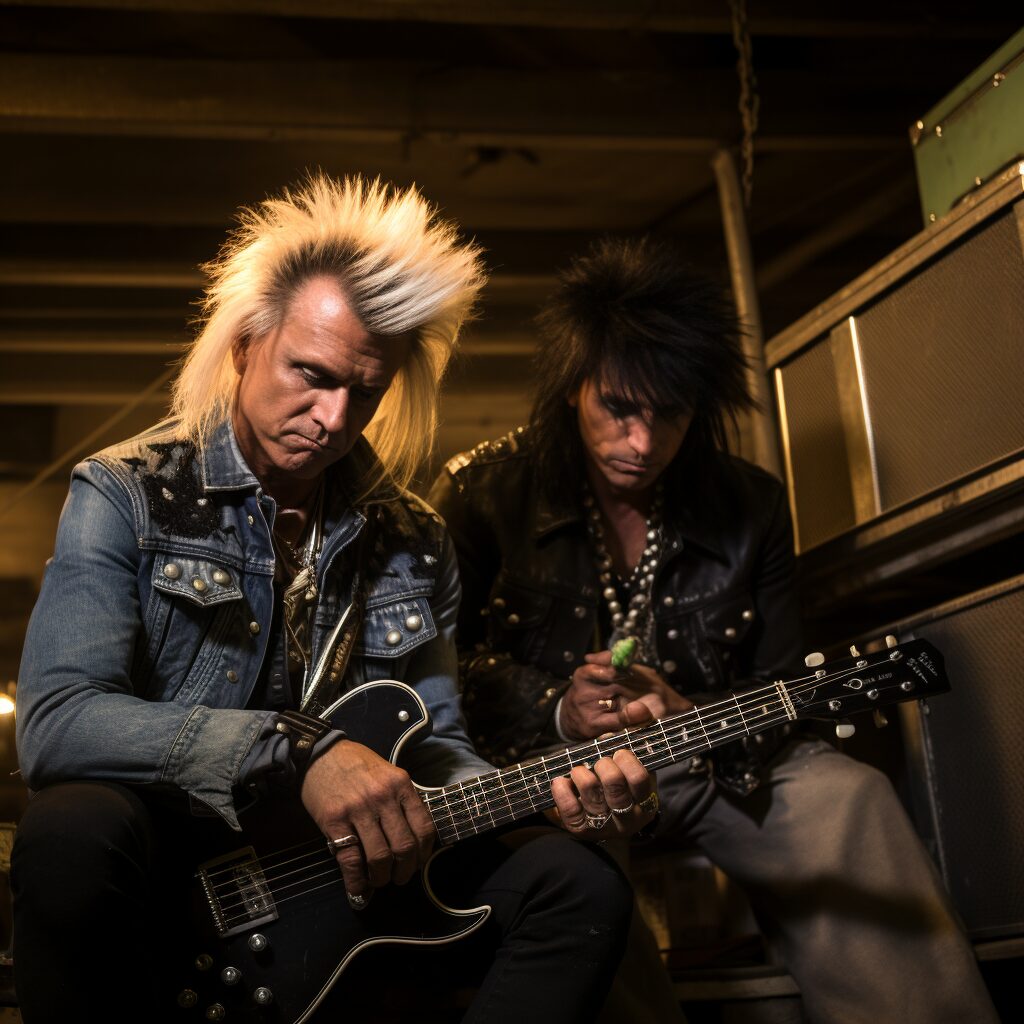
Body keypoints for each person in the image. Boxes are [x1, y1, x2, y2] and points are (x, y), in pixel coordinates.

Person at [11, 177, 657, 1024]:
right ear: (246, 343)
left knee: (576, 883)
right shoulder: (126, 491)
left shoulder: (416, 536)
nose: (334, 418)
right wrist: (297, 752)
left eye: (366, 392)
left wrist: (548, 794)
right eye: (310, 375)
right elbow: (57, 723)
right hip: (176, 866)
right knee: (68, 831)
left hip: (335, 877)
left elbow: (439, 746)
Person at [428, 236, 999, 1024]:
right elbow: (433, 678)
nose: (642, 442)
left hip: (708, 760)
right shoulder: (483, 492)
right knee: (574, 882)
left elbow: (779, 679)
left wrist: (692, 718)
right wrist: (558, 705)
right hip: (553, 778)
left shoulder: (750, 503)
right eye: (619, 408)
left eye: (670, 415)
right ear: (571, 389)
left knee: (850, 799)